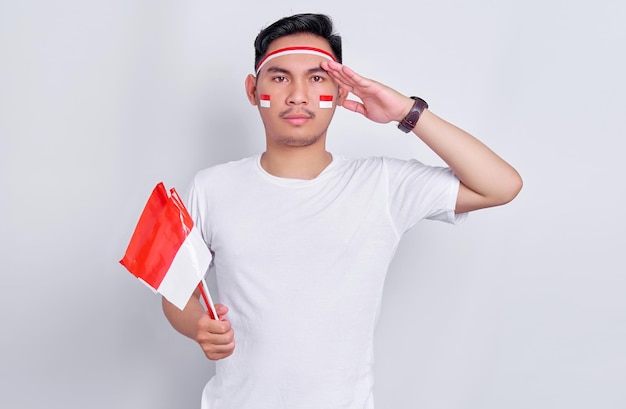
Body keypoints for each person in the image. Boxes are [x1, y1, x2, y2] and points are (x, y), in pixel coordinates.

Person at [162, 13, 522, 409]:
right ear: (253, 90)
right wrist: (197, 326)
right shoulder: (210, 187)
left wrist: (406, 111)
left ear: (338, 89)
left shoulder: (382, 185)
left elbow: (501, 185)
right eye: (280, 77)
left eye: (317, 78)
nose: (298, 95)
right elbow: (176, 291)